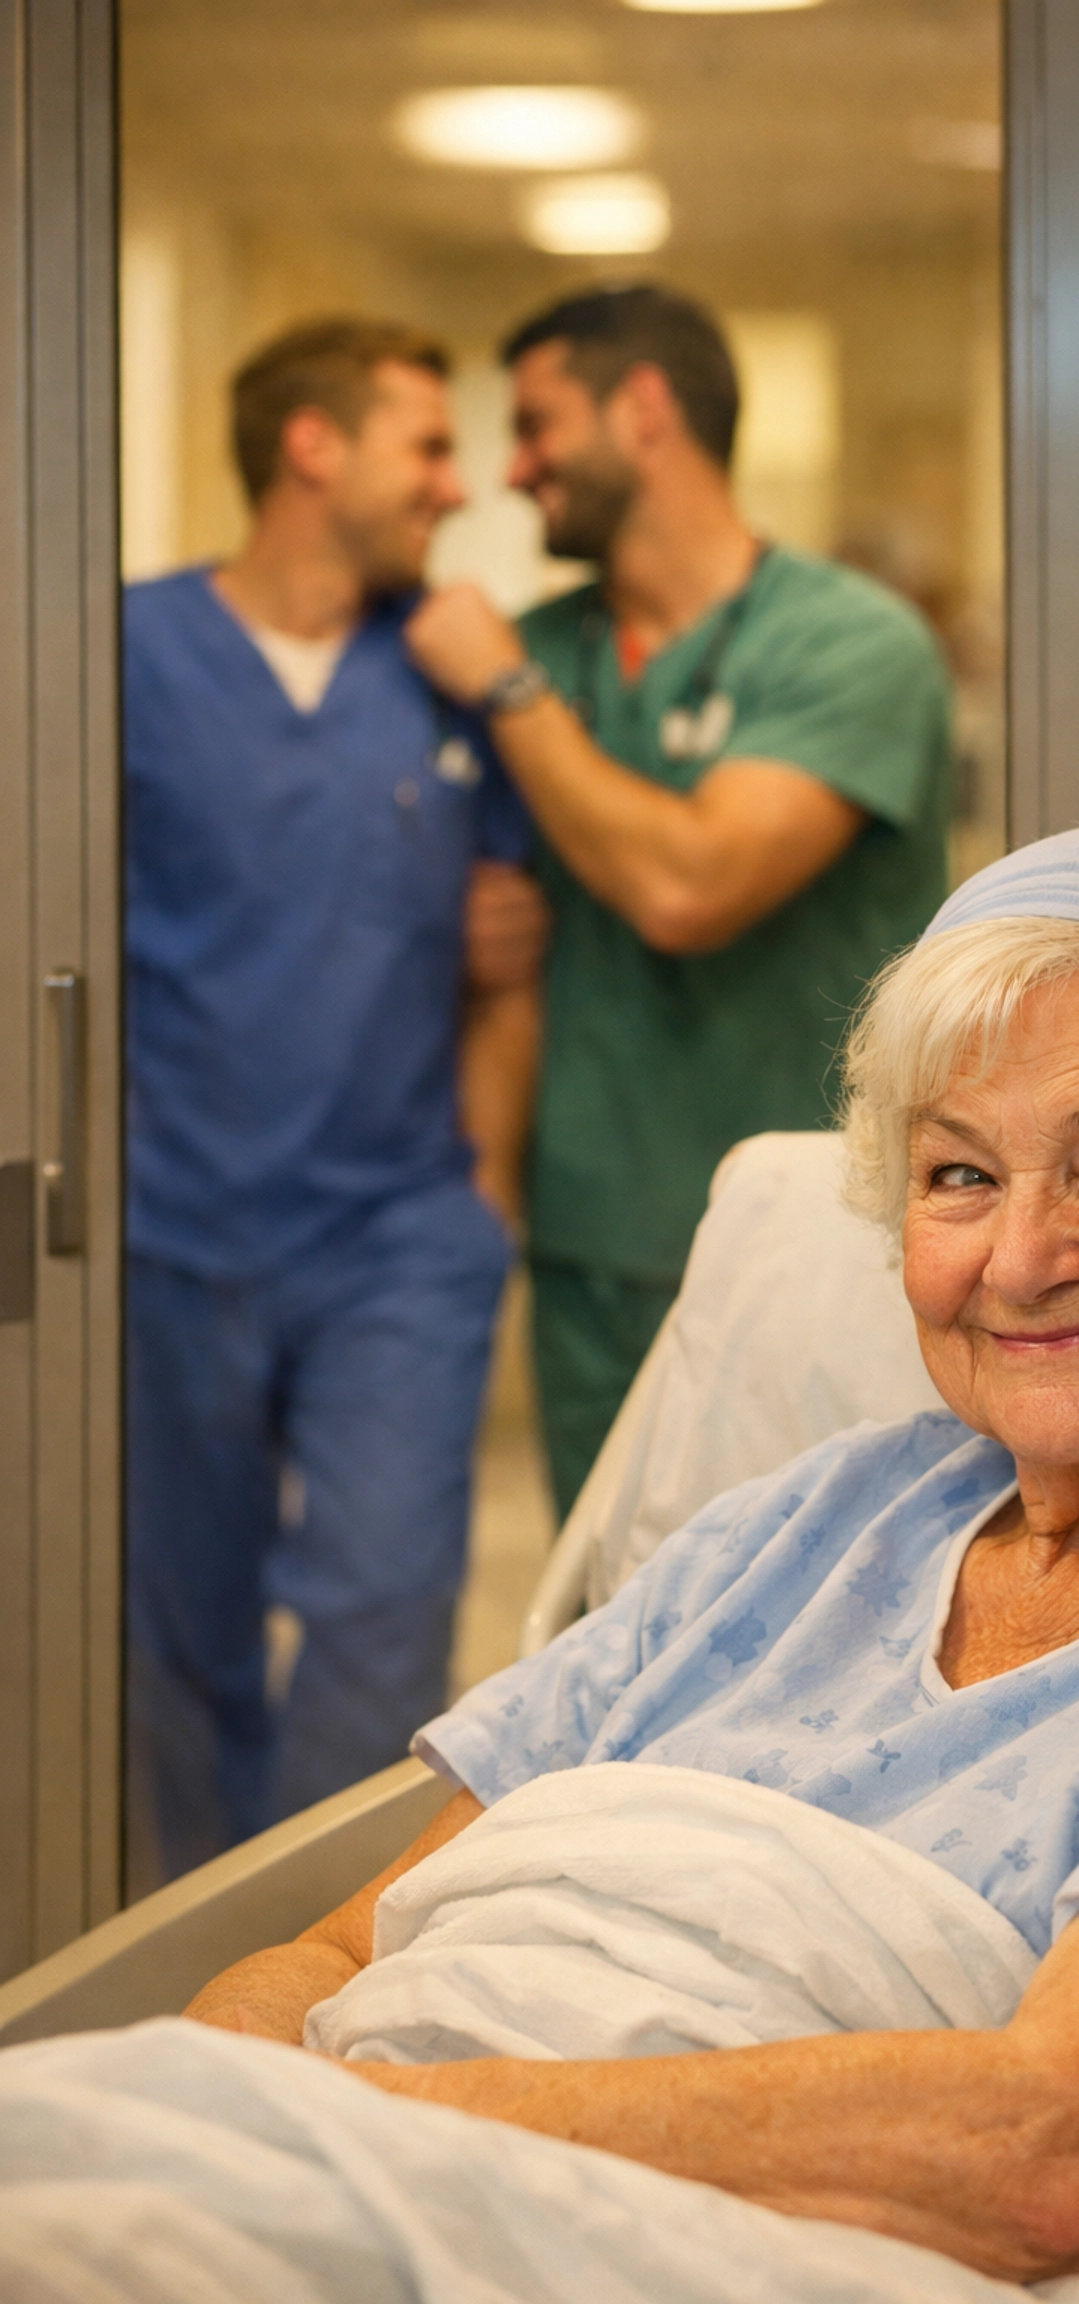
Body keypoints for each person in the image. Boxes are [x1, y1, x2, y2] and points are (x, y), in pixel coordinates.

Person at [173, 823, 1079, 2304]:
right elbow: (332, 1955)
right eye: (959, 1175)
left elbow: (1070, 2160)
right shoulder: (808, 1525)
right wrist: (223, 2124)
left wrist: (382, 2133)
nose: (1022, 1258)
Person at [405, 283, 953, 1518]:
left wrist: (508, 693)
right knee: (611, 1606)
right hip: (593, 1241)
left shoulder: (848, 644)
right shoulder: (547, 643)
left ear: (645, 410)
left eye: (537, 426)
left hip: (822, 1239)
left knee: (816, 1600)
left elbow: (687, 886)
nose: (512, 470)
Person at [125, 316, 545, 1881]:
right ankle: (190, 1944)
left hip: (396, 1235)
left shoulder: (443, 673)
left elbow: (512, 957)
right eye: (426, 446)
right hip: (171, 1227)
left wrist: (481, 1193)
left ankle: (311, 1949)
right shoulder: (123, 657)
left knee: (384, 1622)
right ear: (313, 447)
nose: (455, 484)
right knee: (177, 1634)